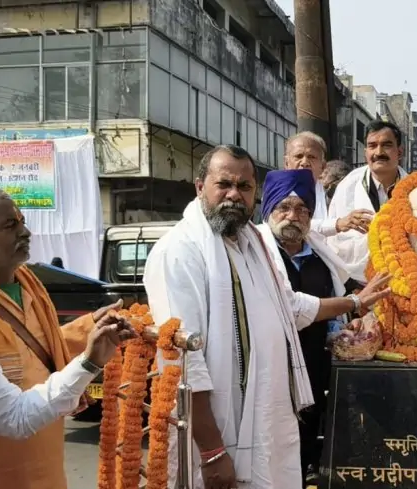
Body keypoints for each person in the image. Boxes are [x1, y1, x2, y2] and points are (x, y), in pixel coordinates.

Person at [143, 144, 390, 489]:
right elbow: (184, 360)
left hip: (267, 419)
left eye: (244, 187)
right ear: (200, 186)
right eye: (223, 184)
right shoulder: (180, 251)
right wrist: (213, 451)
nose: (234, 194)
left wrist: (354, 302)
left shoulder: (251, 244)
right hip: (218, 428)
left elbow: (292, 305)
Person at [0, 188, 122, 489]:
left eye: (21, 221)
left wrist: (89, 327)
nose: (25, 231)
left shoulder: (30, 285)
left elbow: (36, 352)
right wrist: (88, 363)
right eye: (10, 225)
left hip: (47, 471)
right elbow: (13, 417)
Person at [256, 168, 361, 483]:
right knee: (271, 449)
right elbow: (290, 307)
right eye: (284, 207)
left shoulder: (319, 256)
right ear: (269, 209)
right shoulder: (256, 254)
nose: (294, 215)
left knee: (307, 445)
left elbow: (344, 295)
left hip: (315, 366)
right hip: (271, 368)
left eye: (303, 209)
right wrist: (353, 304)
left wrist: (349, 323)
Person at [0, 311, 135, 439]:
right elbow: (14, 418)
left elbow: (14, 415)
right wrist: (88, 362)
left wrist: (88, 330)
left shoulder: (33, 288)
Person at [328, 120, 408, 282]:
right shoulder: (348, 186)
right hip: (355, 282)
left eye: (386, 145)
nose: (378, 152)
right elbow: (334, 240)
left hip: (403, 280)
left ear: (399, 152)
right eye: (372, 146)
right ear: (365, 152)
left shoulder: (415, 189)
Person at [283, 132, 374, 238]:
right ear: (286, 163)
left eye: (311, 157)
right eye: (298, 156)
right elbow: (291, 225)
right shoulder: (278, 192)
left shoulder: (334, 193)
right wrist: (337, 224)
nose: (305, 162)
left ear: (323, 165)